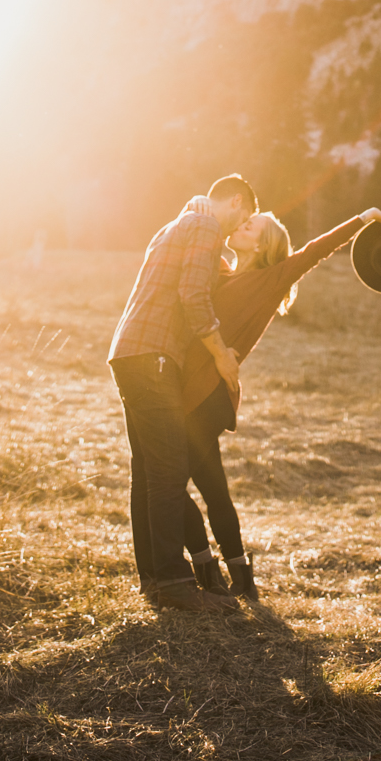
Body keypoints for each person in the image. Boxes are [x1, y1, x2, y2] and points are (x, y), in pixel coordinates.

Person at [177, 202, 381, 600]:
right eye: (245, 221)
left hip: (208, 397)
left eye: (250, 226)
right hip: (189, 392)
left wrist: (363, 218)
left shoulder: (271, 278)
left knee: (168, 483)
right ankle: (241, 579)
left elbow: (316, 249)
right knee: (213, 487)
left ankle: (206, 568)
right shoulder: (219, 273)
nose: (241, 226)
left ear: (262, 247)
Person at [107, 173, 257, 615]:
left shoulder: (178, 224)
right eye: (242, 217)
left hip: (128, 353)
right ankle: (175, 584)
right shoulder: (207, 225)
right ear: (233, 202)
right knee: (170, 470)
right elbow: (193, 297)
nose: (237, 228)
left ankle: (153, 578)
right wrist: (221, 355)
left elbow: (203, 280)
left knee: (149, 473)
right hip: (153, 357)